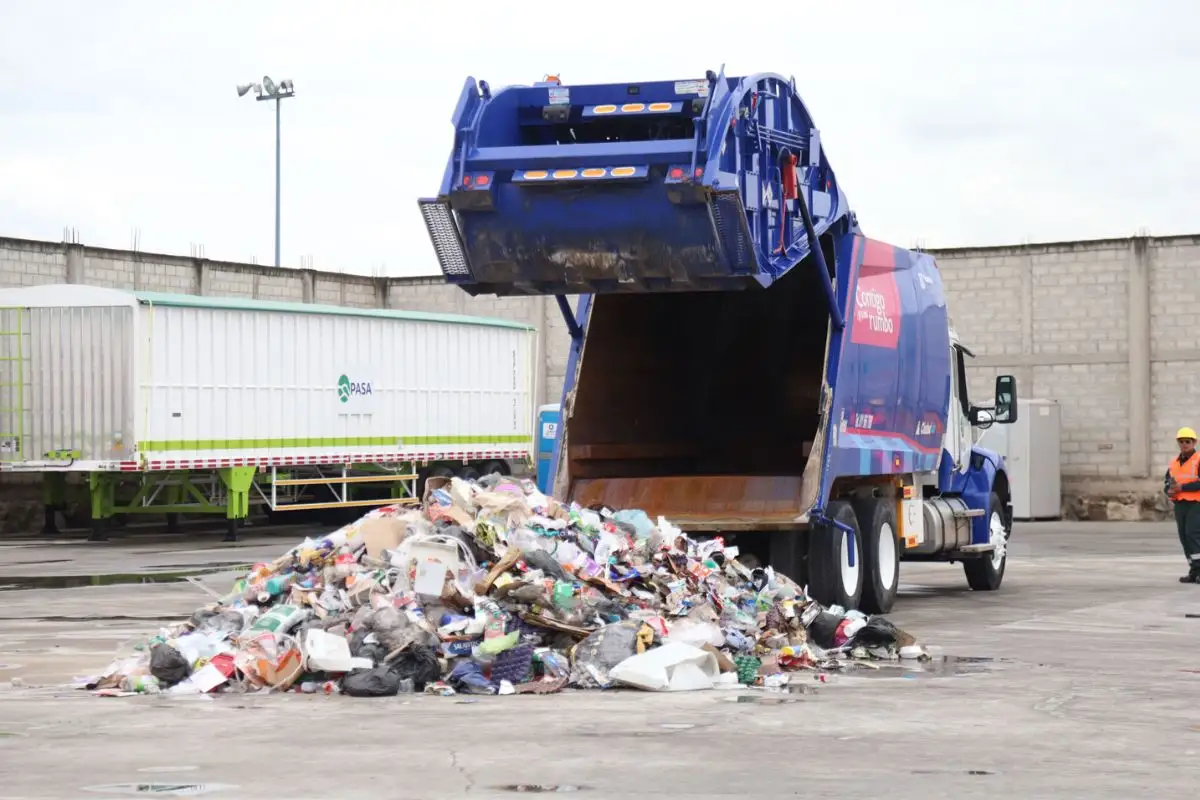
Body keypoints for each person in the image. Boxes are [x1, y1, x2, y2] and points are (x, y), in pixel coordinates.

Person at [1165, 427, 1200, 583]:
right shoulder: (1174, 463)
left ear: (1194, 443)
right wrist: (1169, 491)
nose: (1184, 444)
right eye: (1181, 442)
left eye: (1188, 441)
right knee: (1184, 536)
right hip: (1180, 503)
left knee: (1192, 534)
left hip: (1197, 503)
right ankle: (1193, 570)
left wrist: (1183, 488)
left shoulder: (1198, 460)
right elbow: (1167, 482)